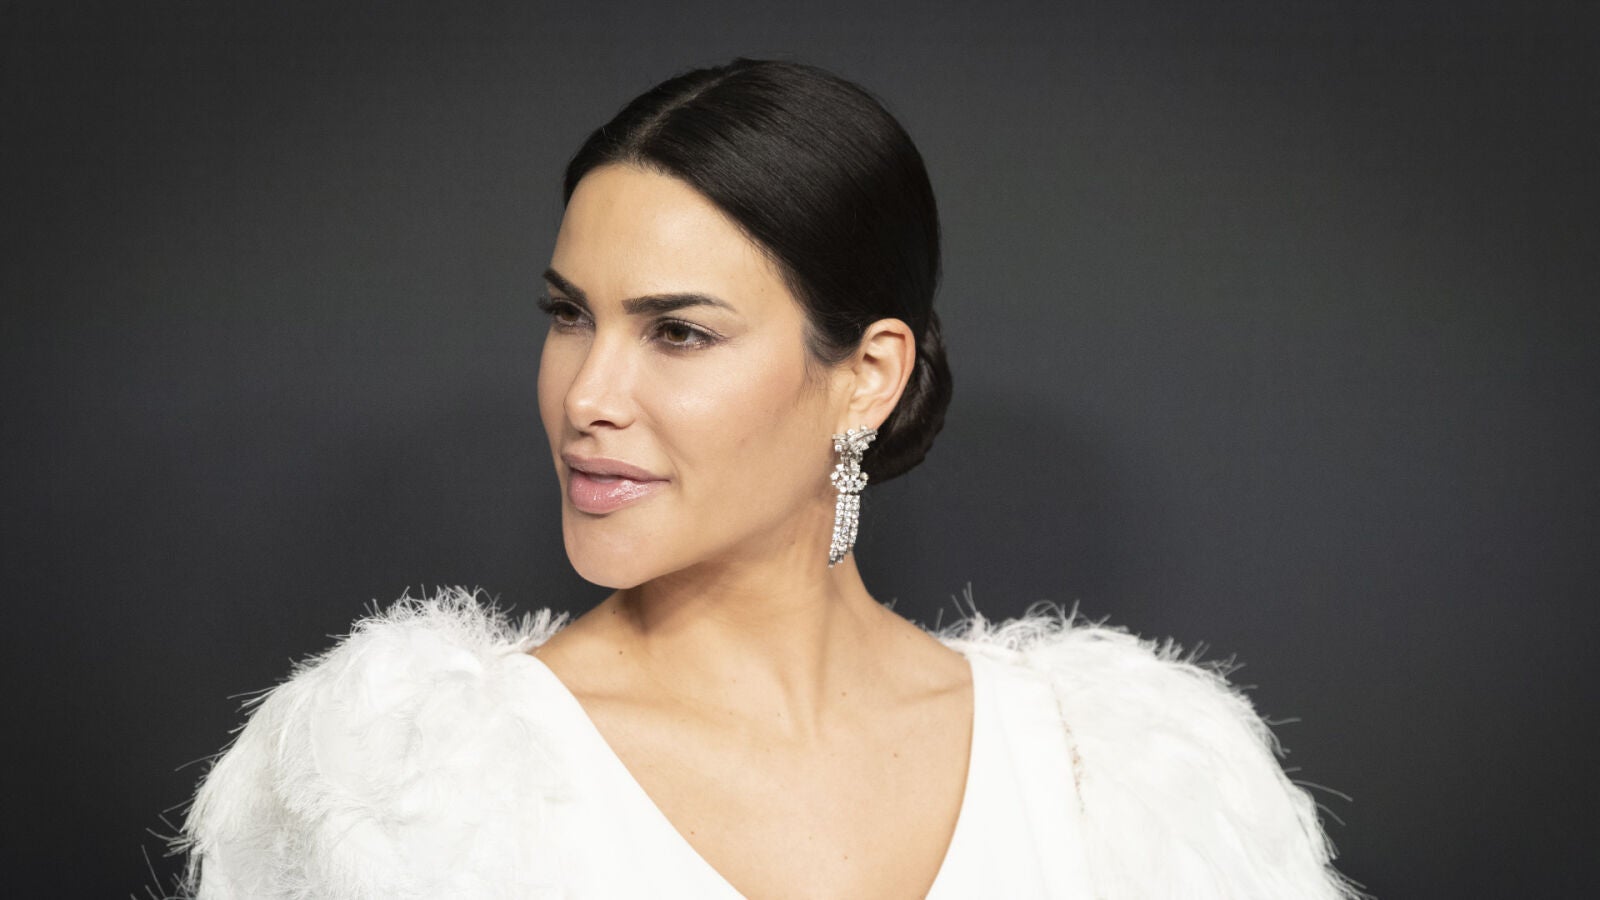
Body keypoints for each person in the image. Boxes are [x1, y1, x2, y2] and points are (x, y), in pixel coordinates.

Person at [175, 58, 1357, 898]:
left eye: (677, 332)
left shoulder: (1122, 780)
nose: (587, 395)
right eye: (569, 316)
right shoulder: (400, 794)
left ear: (866, 377)